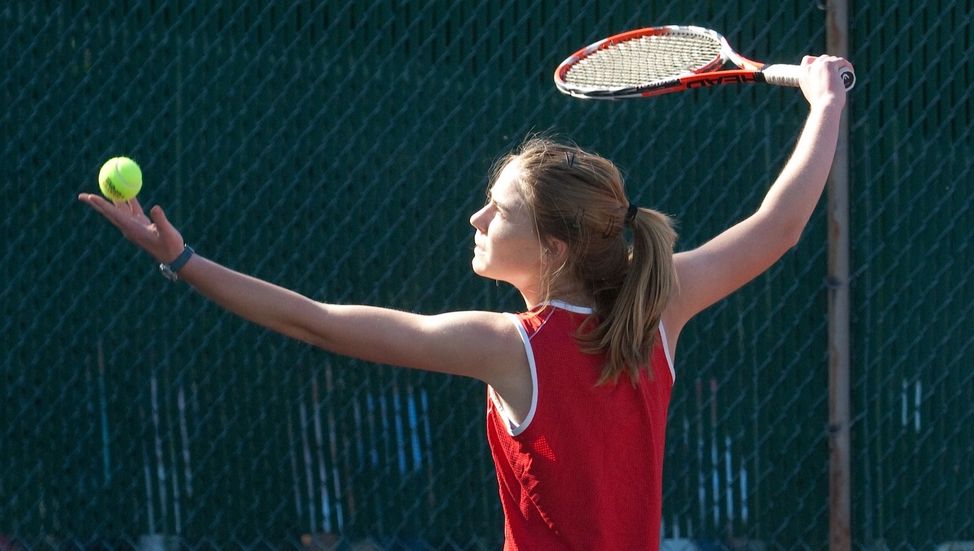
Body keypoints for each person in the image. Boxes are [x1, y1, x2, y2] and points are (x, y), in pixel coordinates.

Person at [79, 55, 852, 550]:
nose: (477, 219)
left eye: (498, 210)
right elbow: (779, 227)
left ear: (550, 248)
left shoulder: (512, 346)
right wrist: (825, 103)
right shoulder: (660, 306)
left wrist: (180, 258)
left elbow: (316, 321)